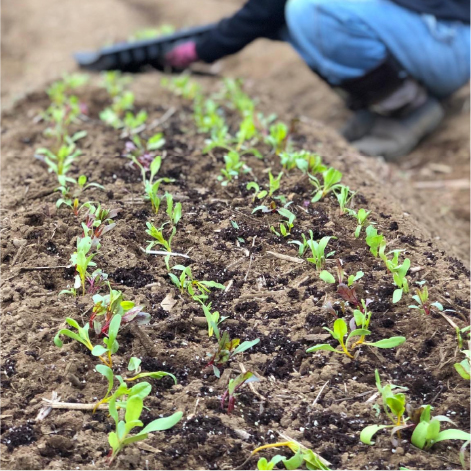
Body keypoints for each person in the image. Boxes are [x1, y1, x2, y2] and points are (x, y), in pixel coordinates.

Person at [165, 0, 470, 160]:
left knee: (311, 10)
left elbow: (264, 9)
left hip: (449, 39)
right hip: (434, 38)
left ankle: (408, 108)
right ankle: (387, 101)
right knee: (292, 18)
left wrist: (202, 49)